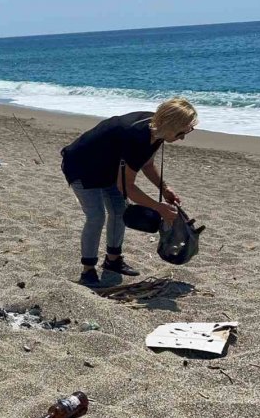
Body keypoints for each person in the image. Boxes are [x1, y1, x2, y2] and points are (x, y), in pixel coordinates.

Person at [60, 97, 198, 286]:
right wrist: (159, 208)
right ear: (171, 125)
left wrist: (164, 189)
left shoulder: (157, 130)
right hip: (82, 166)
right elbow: (128, 187)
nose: (182, 137)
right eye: (182, 132)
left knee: (118, 212)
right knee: (96, 217)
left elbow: (147, 164)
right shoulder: (137, 135)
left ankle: (113, 260)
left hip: (109, 168)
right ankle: (88, 270)